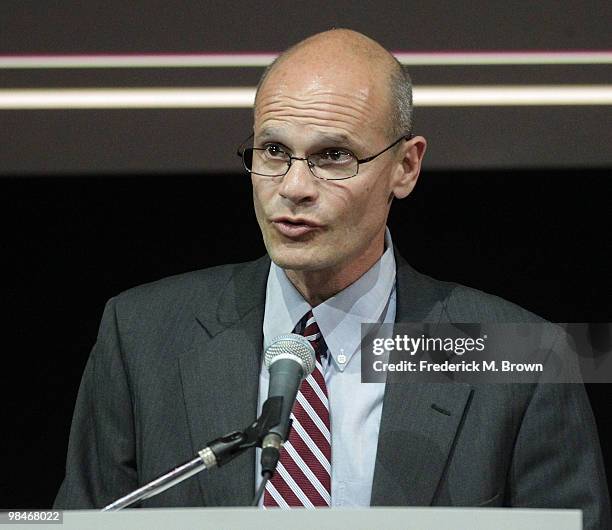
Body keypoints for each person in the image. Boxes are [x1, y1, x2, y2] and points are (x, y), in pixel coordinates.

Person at [54, 29, 611, 527]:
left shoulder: (524, 353)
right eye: (274, 151)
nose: (294, 186)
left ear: (406, 167)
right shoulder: (144, 333)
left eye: (334, 155)